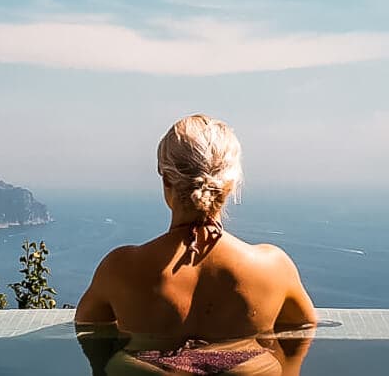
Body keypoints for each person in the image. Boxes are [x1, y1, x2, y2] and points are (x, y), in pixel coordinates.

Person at [75, 114, 316, 375]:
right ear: (231, 183)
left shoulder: (119, 269)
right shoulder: (273, 268)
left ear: (166, 180)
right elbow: (298, 344)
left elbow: (91, 341)